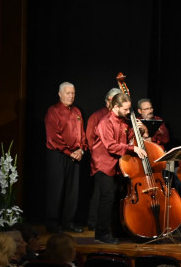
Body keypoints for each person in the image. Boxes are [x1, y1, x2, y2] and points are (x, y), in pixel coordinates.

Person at [90, 93, 149, 244]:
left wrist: (139, 130)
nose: (129, 112)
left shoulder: (123, 121)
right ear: (115, 107)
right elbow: (111, 146)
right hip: (103, 164)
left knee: (117, 199)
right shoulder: (105, 122)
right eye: (126, 109)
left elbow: (129, 137)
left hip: (117, 165)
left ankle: (116, 231)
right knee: (107, 198)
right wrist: (134, 149)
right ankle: (101, 234)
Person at [45, 81, 87, 234]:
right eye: (68, 93)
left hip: (76, 155)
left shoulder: (77, 111)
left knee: (72, 191)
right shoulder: (53, 111)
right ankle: (52, 223)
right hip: (58, 155)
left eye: (73, 93)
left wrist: (81, 150)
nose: (71, 96)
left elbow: (82, 134)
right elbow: (53, 138)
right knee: (56, 190)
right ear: (60, 94)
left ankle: (68, 222)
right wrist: (71, 153)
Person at [85, 87, 120, 231]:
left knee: (109, 193)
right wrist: (98, 156)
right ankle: (94, 223)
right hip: (102, 160)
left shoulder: (119, 117)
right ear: (108, 101)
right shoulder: (98, 116)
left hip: (115, 159)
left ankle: (107, 223)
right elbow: (90, 139)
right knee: (100, 192)